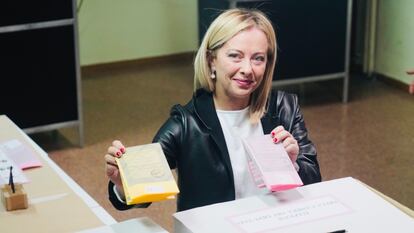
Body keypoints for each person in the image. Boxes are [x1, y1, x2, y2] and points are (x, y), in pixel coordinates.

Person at [105, 8, 321, 212]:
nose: (247, 69)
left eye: (258, 58)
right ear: (211, 61)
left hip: (273, 223)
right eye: (235, 55)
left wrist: (292, 165)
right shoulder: (187, 122)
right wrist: (123, 185)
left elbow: (314, 180)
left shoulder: (284, 108)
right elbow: (145, 188)